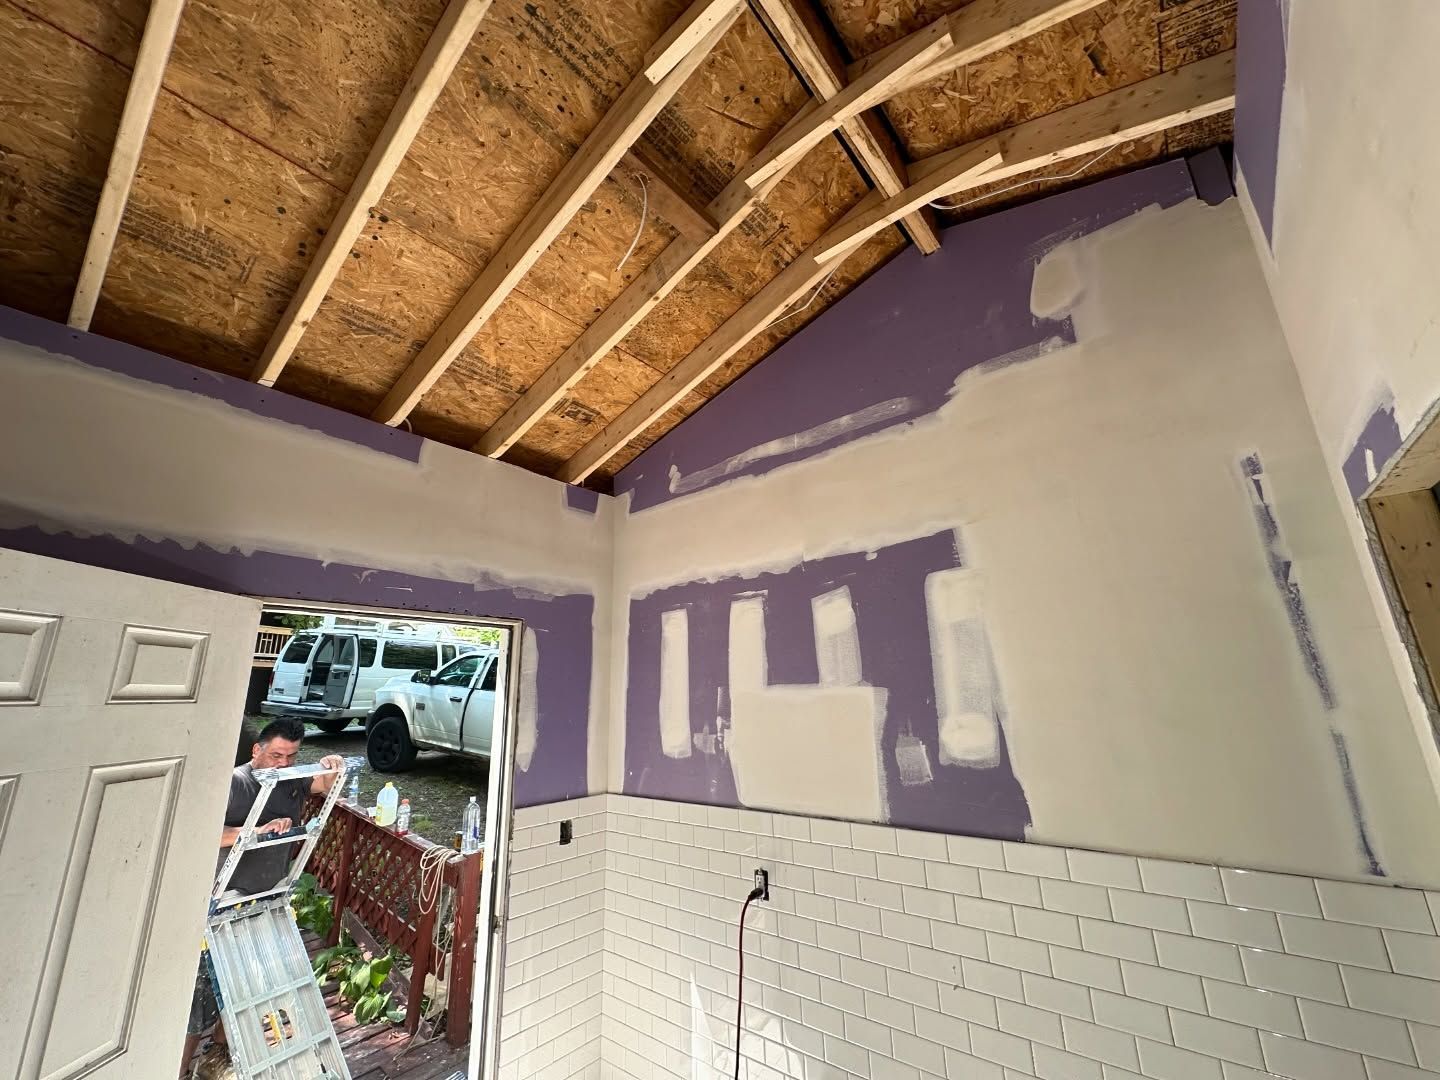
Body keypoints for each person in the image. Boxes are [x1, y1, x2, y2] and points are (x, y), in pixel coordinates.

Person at [181, 718, 345, 1077]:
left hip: (265, 902)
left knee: (242, 992)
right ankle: (176, 1068)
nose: (283, 763)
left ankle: (216, 1057)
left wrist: (332, 764)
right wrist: (254, 831)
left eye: (291, 755)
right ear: (257, 750)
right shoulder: (235, 783)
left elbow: (321, 783)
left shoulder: (291, 778)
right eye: (275, 755)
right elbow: (203, 831)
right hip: (221, 904)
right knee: (200, 998)